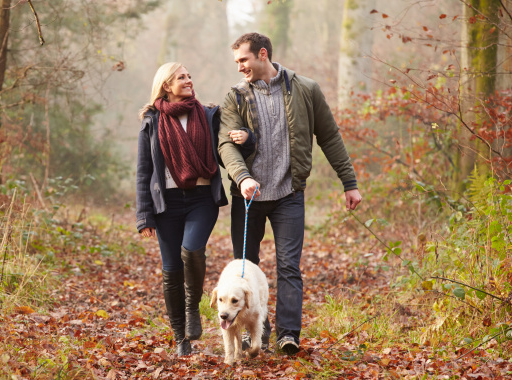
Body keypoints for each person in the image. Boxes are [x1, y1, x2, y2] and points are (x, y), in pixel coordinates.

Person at [218, 33, 363, 356]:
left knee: (289, 268)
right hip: (248, 197)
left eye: (244, 60)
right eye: (237, 62)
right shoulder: (235, 97)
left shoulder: (305, 89)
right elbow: (225, 144)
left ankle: (287, 334)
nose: (240, 67)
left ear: (263, 54)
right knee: (245, 269)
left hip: (288, 194)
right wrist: (242, 178)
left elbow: (330, 136)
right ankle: (250, 335)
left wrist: (349, 182)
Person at [136, 62, 254, 356]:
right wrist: (144, 215)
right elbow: (143, 171)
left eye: (189, 76)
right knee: (171, 270)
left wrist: (246, 140)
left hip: (202, 199)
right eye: (181, 77)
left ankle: (193, 307)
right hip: (167, 204)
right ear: (166, 85)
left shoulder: (208, 114)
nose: (188, 81)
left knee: (191, 250)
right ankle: (181, 339)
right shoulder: (151, 121)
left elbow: (230, 150)